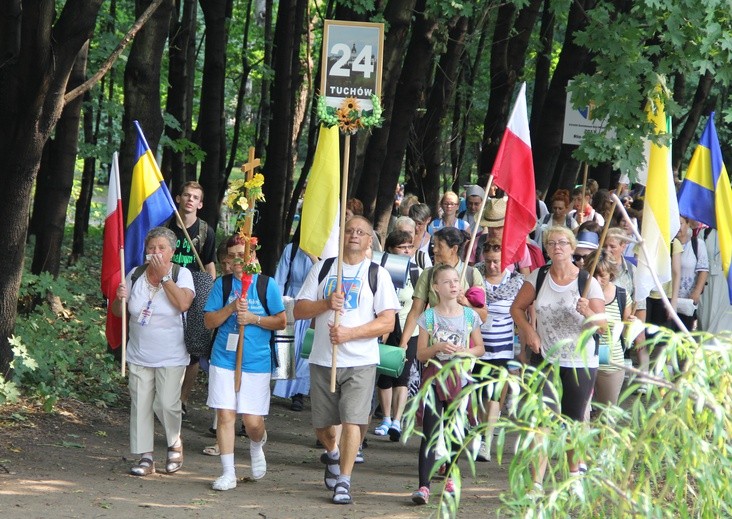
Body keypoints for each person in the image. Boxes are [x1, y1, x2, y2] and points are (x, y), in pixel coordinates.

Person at [294, 216, 400, 505]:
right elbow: (300, 310)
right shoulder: (323, 268)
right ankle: (333, 453)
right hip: (323, 360)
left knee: (353, 420)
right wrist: (327, 304)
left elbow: (387, 322)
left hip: (361, 361)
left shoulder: (378, 274)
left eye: (361, 232)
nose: (354, 235)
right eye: (349, 230)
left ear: (369, 241)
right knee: (324, 427)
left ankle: (344, 480)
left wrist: (350, 333)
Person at [510, 226, 605, 489]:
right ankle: (536, 484)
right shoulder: (537, 277)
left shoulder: (587, 281)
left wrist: (588, 312)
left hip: (580, 361)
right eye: (551, 243)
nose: (557, 247)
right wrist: (528, 330)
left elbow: (603, 326)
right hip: (546, 358)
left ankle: (574, 475)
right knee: (540, 421)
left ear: (572, 248)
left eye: (562, 242)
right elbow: (516, 308)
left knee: (573, 421)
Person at [203, 234, 287, 491]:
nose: (238, 260)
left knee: (252, 422)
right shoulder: (223, 285)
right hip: (224, 358)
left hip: (256, 361)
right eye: (233, 255)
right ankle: (228, 473)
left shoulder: (266, 285)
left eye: (243, 254)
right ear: (227, 260)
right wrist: (230, 308)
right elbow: (209, 322)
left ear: (253, 256)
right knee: (225, 414)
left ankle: (256, 443)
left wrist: (253, 318)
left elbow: (281, 321)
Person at [111, 227, 195, 476]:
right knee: (141, 405)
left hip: (172, 354)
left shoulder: (182, 274)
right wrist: (118, 298)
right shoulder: (135, 274)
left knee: (167, 404)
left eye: (161, 248)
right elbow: (119, 311)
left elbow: (183, 304)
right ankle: (146, 457)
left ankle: (174, 443)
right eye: (151, 248)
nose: (155, 252)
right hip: (138, 353)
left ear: (172, 251)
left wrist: (164, 277)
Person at [410, 264, 485, 505]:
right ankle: (424, 486)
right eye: (447, 282)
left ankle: (452, 477)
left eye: (456, 280)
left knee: (455, 431)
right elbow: (421, 354)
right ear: (435, 288)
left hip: (459, 378)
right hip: (435, 377)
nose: (453, 285)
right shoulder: (429, 316)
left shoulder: (469, 315)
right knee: (430, 433)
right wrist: (438, 347)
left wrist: (466, 352)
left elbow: (480, 348)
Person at [167, 181, 217, 417]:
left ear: (200, 203)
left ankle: (183, 399)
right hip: (168, 284)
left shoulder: (206, 231)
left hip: (196, 287)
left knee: (194, 348)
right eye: (186, 195)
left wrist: (213, 295)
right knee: (168, 341)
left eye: (195, 197)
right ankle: (165, 396)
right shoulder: (166, 226)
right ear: (178, 198)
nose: (190, 199)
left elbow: (209, 265)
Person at [472, 239, 523, 462]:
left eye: (497, 261)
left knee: (493, 393)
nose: (492, 266)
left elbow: (523, 313)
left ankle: (486, 441)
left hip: (502, 348)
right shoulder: (474, 277)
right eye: (489, 260)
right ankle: (480, 429)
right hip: (476, 345)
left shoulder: (516, 283)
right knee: (479, 394)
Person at [400, 227, 488, 350]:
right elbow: (415, 312)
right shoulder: (429, 274)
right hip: (433, 350)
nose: (435, 250)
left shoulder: (471, 274)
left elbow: (483, 316)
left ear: (454, 249)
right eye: (433, 245)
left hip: (463, 351)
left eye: (439, 246)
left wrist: (466, 303)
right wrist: (403, 343)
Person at [374, 230, 421, 442]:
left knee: (403, 374)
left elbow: (420, 303)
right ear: (391, 250)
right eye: (402, 247)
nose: (407, 251)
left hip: (410, 329)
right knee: (385, 374)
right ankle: (385, 418)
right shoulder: (380, 271)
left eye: (409, 247)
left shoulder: (416, 272)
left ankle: (397, 420)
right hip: (386, 327)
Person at [273, 226, 315, 411]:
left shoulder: (326, 254)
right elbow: (280, 279)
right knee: (288, 345)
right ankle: (284, 387)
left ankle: (299, 392)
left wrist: (314, 257)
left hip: (313, 303)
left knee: (306, 348)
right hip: (291, 299)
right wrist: (277, 305)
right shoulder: (291, 249)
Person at [585, 250, 632, 410]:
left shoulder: (621, 294)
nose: (597, 280)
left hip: (611, 362)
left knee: (607, 414)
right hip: (582, 360)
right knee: (581, 414)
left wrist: (631, 325)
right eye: (593, 275)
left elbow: (626, 333)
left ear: (611, 274)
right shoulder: (581, 293)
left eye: (602, 276)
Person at [675, 216, 709, 330]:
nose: (678, 227)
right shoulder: (668, 245)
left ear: (688, 223)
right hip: (669, 299)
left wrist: (696, 292)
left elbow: (703, 270)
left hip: (687, 300)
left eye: (680, 223)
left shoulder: (697, 244)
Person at [698, 228, 732, 333]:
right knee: (705, 316)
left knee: (723, 318)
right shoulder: (704, 233)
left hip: (725, 282)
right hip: (706, 282)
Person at [408, 203, 433, 269]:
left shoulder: (432, 242)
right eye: (413, 222)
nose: (416, 227)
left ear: (428, 220)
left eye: (420, 224)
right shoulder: (403, 237)